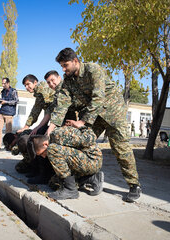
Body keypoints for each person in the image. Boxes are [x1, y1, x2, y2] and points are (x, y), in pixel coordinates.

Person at [46, 47, 141, 202]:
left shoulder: (93, 70)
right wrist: (49, 131)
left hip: (112, 112)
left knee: (121, 149)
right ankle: (90, 177)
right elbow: (61, 105)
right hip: (93, 116)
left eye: (65, 65)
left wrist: (82, 122)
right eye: (61, 66)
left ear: (75, 61)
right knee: (80, 142)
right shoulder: (68, 81)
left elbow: (98, 97)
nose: (63, 69)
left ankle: (134, 185)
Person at [32, 121, 104, 200]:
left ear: (45, 144)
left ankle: (70, 190)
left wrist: (81, 127)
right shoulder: (53, 140)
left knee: (52, 149)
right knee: (53, 183)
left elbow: (91, 138)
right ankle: (91, 178)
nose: (44, 156)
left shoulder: (58, 135)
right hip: (82, 161)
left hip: (92, 160)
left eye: (42, 153)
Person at [0, 77, 19, 150]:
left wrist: (6, 102)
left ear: (8, 83)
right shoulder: (3, 91)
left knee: (8, 132)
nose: (3, 85)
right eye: (2, 83)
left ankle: (8, 146)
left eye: (4, 83)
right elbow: (3, 101)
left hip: (9, 113)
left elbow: (16, 101)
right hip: (2, 113)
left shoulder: (13, 91)